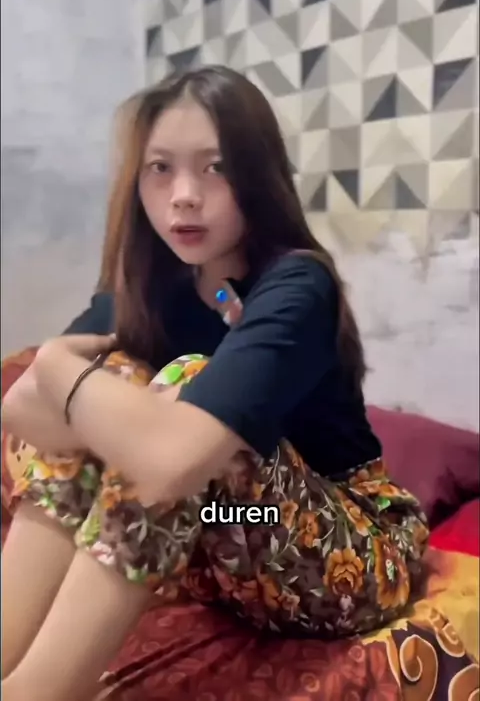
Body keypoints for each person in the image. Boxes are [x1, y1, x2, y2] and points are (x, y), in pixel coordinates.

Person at [1, 66, 429, 701]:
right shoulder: (146, 290)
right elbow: (22, 412)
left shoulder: (295, 284)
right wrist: (108, 407)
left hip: (349, 553)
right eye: (160, 168)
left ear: (257, 174)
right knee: (118, 396)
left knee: (173, 400)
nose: (183, 195)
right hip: (224, 526)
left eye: (215, 167)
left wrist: (61, 366)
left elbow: (170, 460)